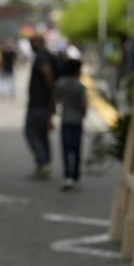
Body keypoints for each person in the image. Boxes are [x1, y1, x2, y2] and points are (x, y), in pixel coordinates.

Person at [24, 34, 56, 178]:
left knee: (32, 132)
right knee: (42, 134)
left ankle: (43, 162)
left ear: (37, 42)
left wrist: (51, 95)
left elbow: (47, 73)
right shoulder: (46, 55)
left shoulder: (42, 57)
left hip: (39, 103)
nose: (31, 45)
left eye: (32, 42)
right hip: (43, 102)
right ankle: (45, 163)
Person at [54, 58, 88, 190]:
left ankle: (67, 175)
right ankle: (75, 174)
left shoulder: (60, 83)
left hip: (65, 120)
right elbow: (83, 104)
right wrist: (83, 114)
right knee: (77, 148)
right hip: (77, 121)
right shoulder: (80, 86)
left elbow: (55, 99)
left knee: (66, 149)